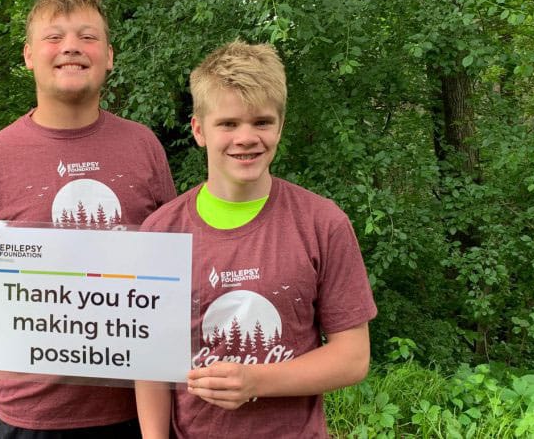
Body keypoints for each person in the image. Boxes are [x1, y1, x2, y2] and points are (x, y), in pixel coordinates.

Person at [0, 0, 177, 438]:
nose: (70, 47)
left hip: (139, 405)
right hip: (34, 412)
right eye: (54, 37)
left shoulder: (144, 146)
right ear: (28, 56)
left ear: (109, 56)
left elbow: (172, 273)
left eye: (87, 37)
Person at [136, 41, 376, 438]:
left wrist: (256, 381)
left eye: (261, 122)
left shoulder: (322, 223)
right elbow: (150, 362)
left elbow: (353, 357)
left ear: (280, 126)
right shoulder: (162, 231)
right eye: (228, 124)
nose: (246, 138)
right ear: (199, 129)